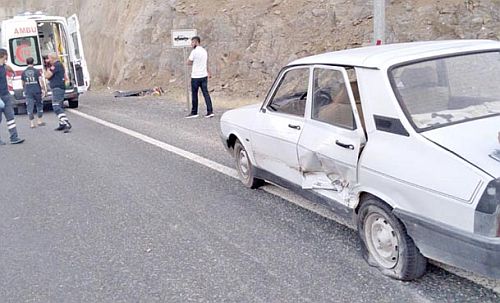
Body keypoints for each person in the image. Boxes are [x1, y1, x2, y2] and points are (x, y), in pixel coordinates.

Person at [0, 48, 24, 145]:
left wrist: (13, 72)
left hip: (6, 95)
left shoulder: (4, 66)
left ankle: (14, 137)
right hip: (0, 96)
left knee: (10, 117)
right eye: (6, 56)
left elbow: (9, 69)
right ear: (4, 56)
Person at [185, 36, 214, 118]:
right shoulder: (204, 51)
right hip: (204, 75)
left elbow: (189, 62)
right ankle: (210, 111)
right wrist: (208, 72)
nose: (191, 44)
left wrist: (191, 62)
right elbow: (206, 63)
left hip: (196, 76)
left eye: (192, 42)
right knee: (206, 93)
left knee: (194, 94)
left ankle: (194, 112)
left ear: (196, 42)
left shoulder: (194, 52)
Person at [44, 53, 71, 132]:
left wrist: (47, 69)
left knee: (56, 106)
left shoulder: (55, 65)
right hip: (60, 87)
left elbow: (47, 76)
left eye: (48, 58)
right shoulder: (59, 65)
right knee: (60, 105)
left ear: (52, 58)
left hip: (57, 88)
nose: (48, 60)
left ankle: (66, 123)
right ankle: (61, 123)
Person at [22, 57, 46, 128]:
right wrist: (43, 89)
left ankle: (32, 123)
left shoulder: (23, 72)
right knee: (39, 105)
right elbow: (40, 81)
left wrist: (24, 89)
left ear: (26, 63)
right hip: (37, 90)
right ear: (33, 62)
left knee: (30, 106)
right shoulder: (36, 71)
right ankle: (39, 120)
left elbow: (22, 83)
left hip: (28, 91)